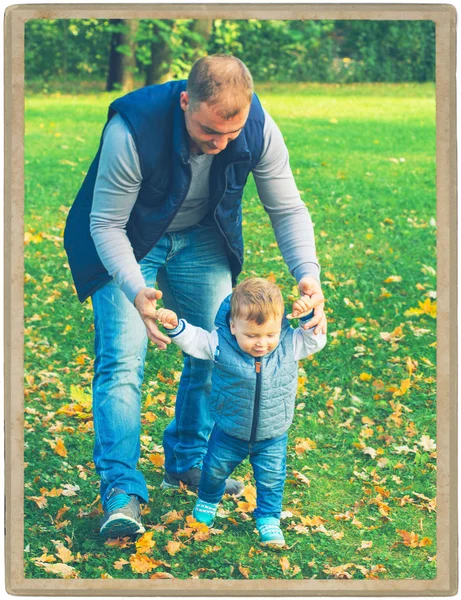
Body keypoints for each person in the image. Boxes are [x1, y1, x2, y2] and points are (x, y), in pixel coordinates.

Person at [64, 54, 326, 539]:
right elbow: (104, 224)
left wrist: (308, 273)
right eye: (209, 131)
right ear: (186, 101)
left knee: (221, 349)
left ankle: (186, 458)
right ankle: (122, 491)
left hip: (201, 236)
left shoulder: (259, 128)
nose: (221, 144)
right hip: (125, 240)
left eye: (231, 133)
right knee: (122, 361)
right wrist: (135, 289)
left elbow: (287, 208)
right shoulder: (131, 130)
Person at [155, 278, 327, 546]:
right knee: (213, 471)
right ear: (233, 326)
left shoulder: (289, 343)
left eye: (269, 334)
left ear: (280, 325)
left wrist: (307, 314)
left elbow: (314, 341)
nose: (262, 343)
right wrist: (176, 326)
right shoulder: (221, 343)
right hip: (228, 430)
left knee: (271, 479)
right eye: (252, 336)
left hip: (272, 434)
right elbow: (196, 341)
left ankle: (268, 518)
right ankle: (207, 502)